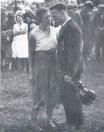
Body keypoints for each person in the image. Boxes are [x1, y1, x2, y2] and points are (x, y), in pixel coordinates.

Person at [50, 3, 84, 131]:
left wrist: (70, 73)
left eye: (55, 16)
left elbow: (76, 53)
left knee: (73, 96)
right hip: (64, 69)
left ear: (63, 13)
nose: (53, 19)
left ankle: (78, 124)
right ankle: (70, 120)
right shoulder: (64, 26)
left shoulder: (72, 28)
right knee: (65, 96)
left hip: (71, 70)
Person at [28, 7, 58, 131]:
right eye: (46, 17)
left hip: (53, 64)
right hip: (40, 65)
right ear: (40, 19)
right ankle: (33, 123)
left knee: (52, 91)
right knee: (38, 93)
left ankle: (49, 119)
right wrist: (31, 72)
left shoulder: (54, 30)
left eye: (50, 16)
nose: (49, 19)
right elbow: (30, 54)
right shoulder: (33, 33)